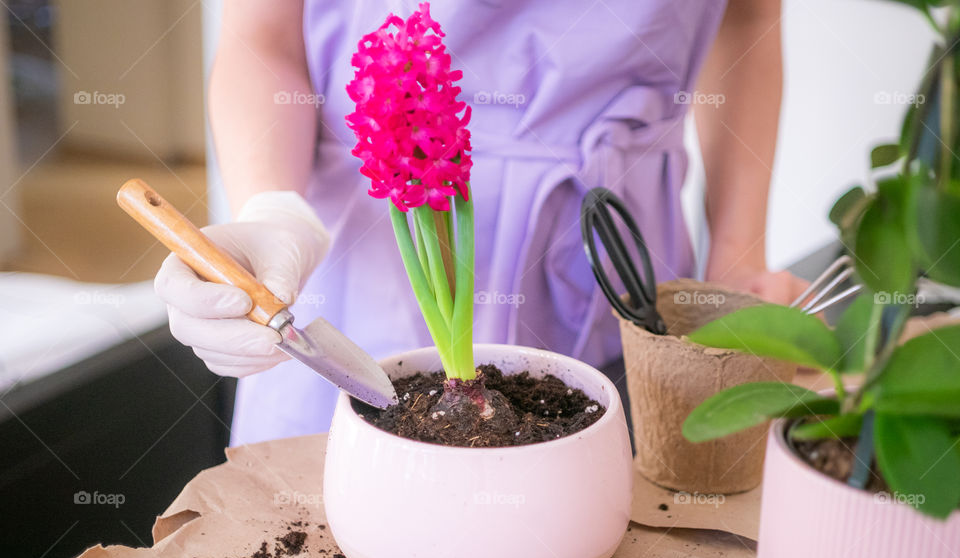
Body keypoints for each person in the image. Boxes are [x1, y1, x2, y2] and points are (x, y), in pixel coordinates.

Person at [155, 0, 808, 445]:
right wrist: (274, 211)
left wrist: (738, 258)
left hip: (626, 279)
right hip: (364, 265)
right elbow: (261, 36)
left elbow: (750, 15)